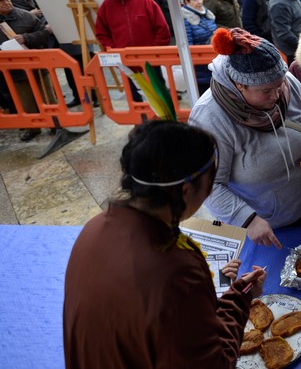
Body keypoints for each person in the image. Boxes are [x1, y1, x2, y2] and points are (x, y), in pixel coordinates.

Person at [63, 120, 267, 368]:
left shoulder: (94, 228)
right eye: (210, 182)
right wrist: (241, 297)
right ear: (186, 189)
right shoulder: (176, 271)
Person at [188, 28, 301, 249]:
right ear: (239, 85)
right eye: (266, 91)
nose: (277, 94)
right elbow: (208, 185)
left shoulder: (284, 81)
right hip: (260, 227)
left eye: (279, 85)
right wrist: (248, 219)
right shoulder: (209, 117)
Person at [0, 0, 57, 141]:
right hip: (14, 71)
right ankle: (33, 128)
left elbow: (45, 34)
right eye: (1, 1)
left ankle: (55, 124)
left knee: (48, 97)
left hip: (36, 66)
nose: (6, 3)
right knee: (25, 101)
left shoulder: (25, 16)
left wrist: (26, 38)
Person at [181, 0, 217, 95]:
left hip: (213, 60)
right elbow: (188, 44)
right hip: (199, 66)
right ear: (187, 2)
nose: (199, 2)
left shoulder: (207, 14)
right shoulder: (185, 19)